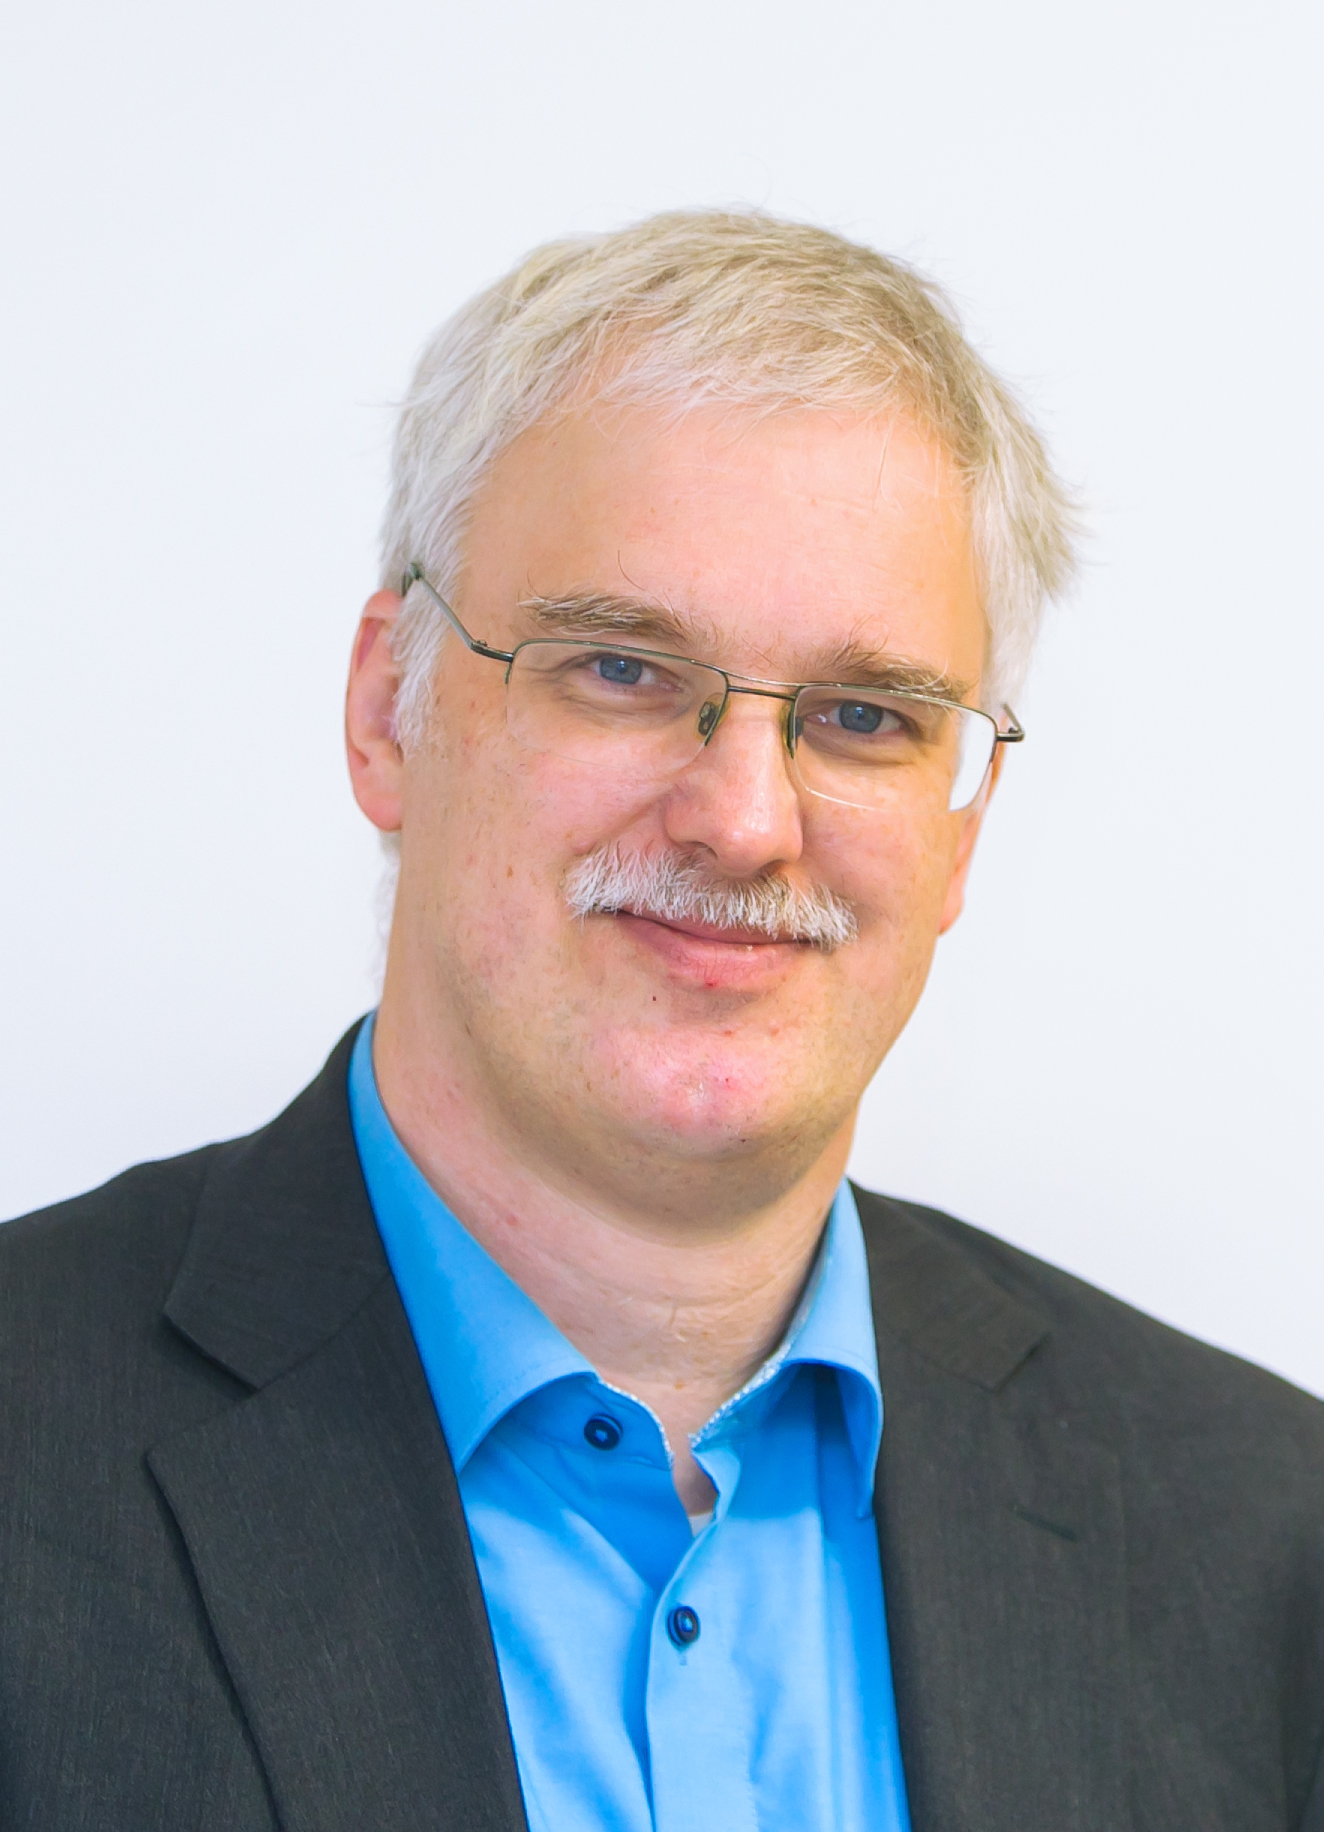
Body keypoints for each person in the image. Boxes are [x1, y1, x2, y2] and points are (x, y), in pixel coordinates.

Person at [1, 211, 1320, 1832]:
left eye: (865, 715)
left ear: (963, 824)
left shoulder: (1265, 1541)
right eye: (621, 669)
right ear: (386, 711)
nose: (745, 821)